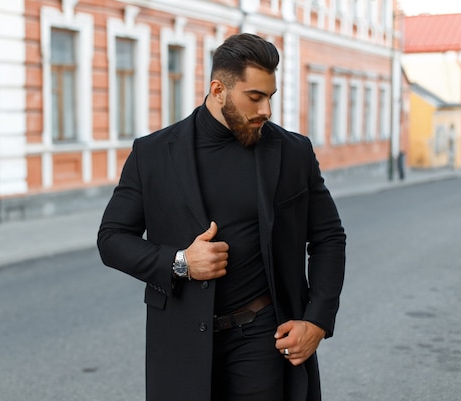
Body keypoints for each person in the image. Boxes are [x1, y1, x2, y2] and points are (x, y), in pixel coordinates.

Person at [97, 33, 346, 401]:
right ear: (218, 90)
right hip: (181, 340)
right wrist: (181, 262)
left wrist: (316, 320)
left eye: (270, 97)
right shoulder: (153, 154)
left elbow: (328, 237)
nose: (266, 110)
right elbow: (112, 239)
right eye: (255, 97)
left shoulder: (293, 152)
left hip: (264, 337)